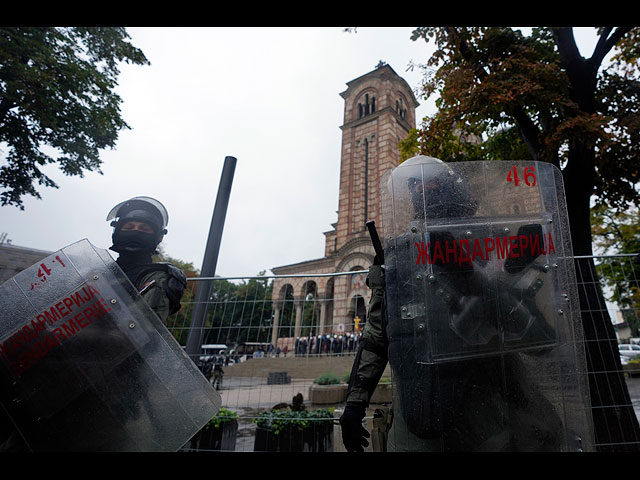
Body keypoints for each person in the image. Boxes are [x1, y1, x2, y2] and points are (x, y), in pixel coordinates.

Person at [340, 156, 569, 452]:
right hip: (419, 404)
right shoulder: (397, 254)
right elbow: (376, 335)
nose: (418, 190)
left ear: (451, 187)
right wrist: (356, 403)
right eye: (412, 185)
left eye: (428, 181)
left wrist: (498, 282)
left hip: (489, 404)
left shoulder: (492, 240)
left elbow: (542, 339)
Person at [106, 196, 187, 325]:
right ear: (117, 232)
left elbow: (141, 327)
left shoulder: (157, 277)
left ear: (158, 237)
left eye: (144, 229)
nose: (135, 232)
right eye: (129, 227)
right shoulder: (99, 271)